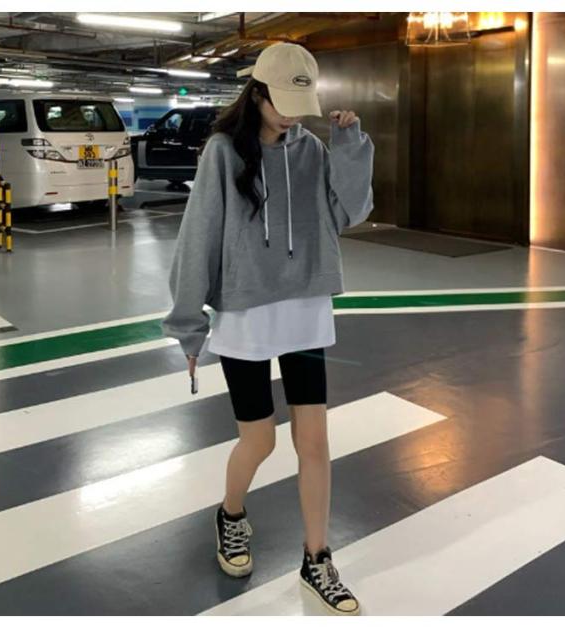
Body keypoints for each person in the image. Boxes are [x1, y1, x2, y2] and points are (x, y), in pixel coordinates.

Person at [161, 42, 374, 616]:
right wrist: (188, 323)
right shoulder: (223, 152)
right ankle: (231, 514)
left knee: (315, 442)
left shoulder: (312, 150)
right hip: (246, 312)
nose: (291, 117)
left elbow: (350, 212)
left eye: (300, 105)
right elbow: (198, 237)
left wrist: (351, 148)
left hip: (305, 307)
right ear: (256, 94)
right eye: (282, 103)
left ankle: (317, 558)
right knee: (259, 440)